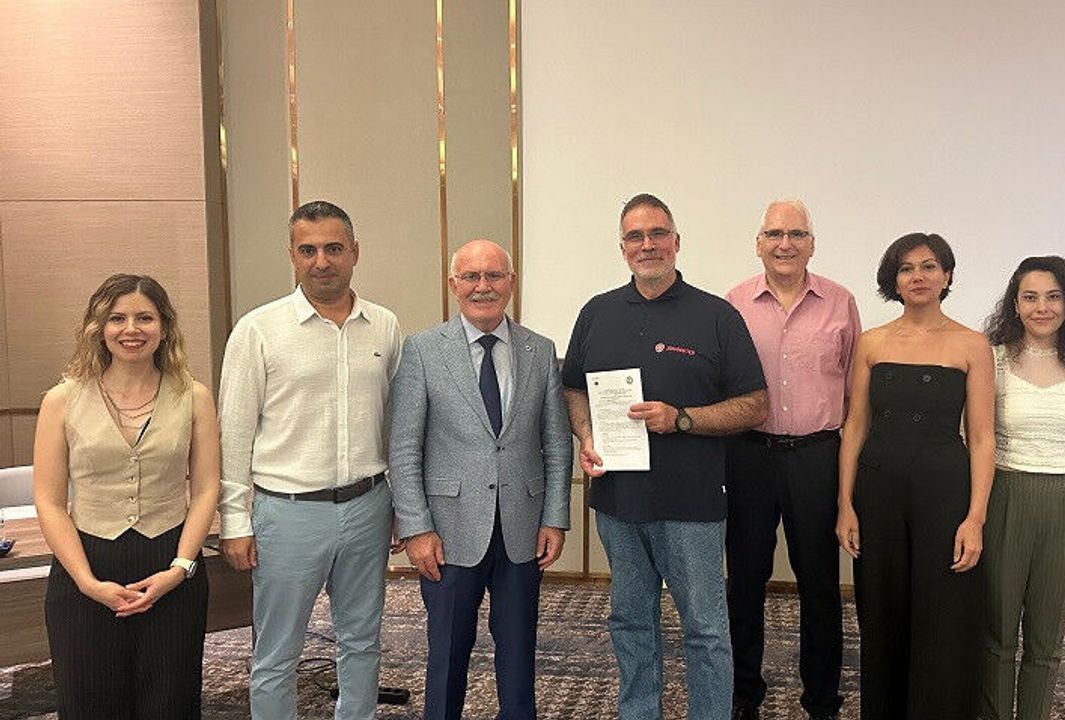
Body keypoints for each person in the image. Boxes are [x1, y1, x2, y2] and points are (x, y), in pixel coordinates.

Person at [562, 193, 768, 720]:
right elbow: (574, 389)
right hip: (618, 503)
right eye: (635, 236)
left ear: (677, 242)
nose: (647, 245)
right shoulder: (596, 313)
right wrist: (586, 435)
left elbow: (755, 405)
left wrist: (682, 419)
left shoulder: (716, 316)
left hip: (692, 506)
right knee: (630, 623)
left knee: (705, 629)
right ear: (623, 248)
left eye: (658, 234)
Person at [218, 200, 402, 720]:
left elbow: (396, 425)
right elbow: (234, 433)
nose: (322, 261)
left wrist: (401, 506)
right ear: (292, 255)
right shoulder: (258, 329)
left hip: (368, 506)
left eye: (334, 248)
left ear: (355, 252)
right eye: (309, 250)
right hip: (287, 512)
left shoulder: (384, 326)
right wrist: (234, 521)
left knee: (362, 642)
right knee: (277, 653)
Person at [387, 239, 573, 720]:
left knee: (519, 653)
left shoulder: (540, 350)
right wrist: (416, 527)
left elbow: (556, 443)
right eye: (471, 276)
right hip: (447, 534)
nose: (482, 286)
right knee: (447, 653)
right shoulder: (423, 350)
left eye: (494, 276)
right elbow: (404, 448)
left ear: (511, 282)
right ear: (454, 285)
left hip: (522, 531)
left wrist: (555, 518)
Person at [32, 274, 220, 719]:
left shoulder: (193, 397)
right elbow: (50, 501)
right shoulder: (61, 400)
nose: (131, 329)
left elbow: (206, 489)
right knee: (89, 701)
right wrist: (86, 582)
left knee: (170, 701)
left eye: (145, 318)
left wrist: (180, 568)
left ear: (164, 326)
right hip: (86, 563)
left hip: (170, 561)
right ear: (99, 327)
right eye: (117, 318)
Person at [835, 232, 995, 720]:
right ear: (894, 279)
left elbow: (982, 437)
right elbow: (855, 425)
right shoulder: (872, 341)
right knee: (881, 609)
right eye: (906, 268)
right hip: (877, 490)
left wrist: (975, 519)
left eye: (929, 266)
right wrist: (845, 504)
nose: (918, 276)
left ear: (947, 276)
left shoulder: (973, 344)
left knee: (943, 612)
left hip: (944, 494)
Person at [723, 200, 860, 720]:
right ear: (758, 243)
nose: (786, 244)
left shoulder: (840, 302)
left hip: (817, 457)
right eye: (775, 234)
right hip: (748, 456)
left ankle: (822, 700)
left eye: (797, 234)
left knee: (820, 585)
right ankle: (743, 695)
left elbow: (855, 391)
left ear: (812, 244)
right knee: (745, 581)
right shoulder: (732, 303)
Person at [978, 256, 1065, 720]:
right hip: (1004, 497)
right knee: (997, 633)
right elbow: (976, 438)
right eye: (1030, 297)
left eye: (1053, 297)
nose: (1042, 308)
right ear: (1014, 304)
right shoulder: (992, 360)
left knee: (1046, 637)